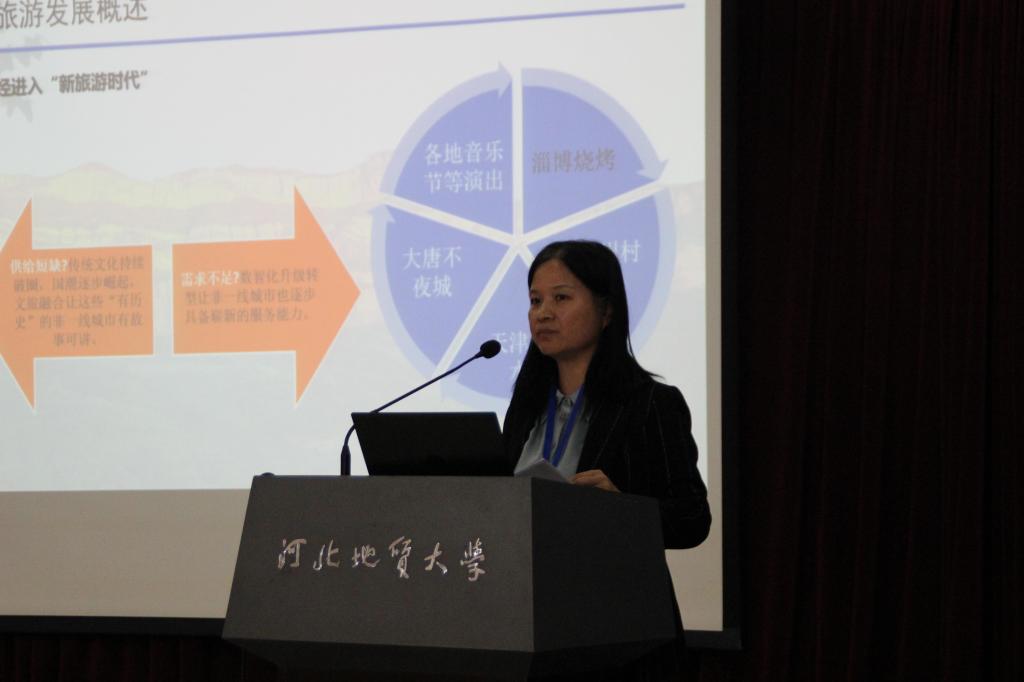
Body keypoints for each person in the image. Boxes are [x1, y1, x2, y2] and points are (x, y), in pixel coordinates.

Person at [502, 239, 710, 679]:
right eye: (535, 301)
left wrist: (622, 510)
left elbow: (693, 519)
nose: (542, 313)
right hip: (529, 629)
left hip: (619, 637)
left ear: (607, 311)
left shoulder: (651, 404)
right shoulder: (525, 411)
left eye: (561, 298)